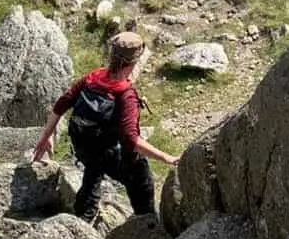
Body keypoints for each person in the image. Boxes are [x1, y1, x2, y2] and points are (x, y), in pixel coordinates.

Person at [33, 31, 179, 222]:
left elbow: (62, 103)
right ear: (135, 62)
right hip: (107, 152)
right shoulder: (125, 94)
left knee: (93, 170)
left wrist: (45, 137)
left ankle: (84, 212)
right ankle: (145, 222)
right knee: (140, 174)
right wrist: (166, 157)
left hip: (82, 146)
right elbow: (130, 139)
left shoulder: (93, 78)